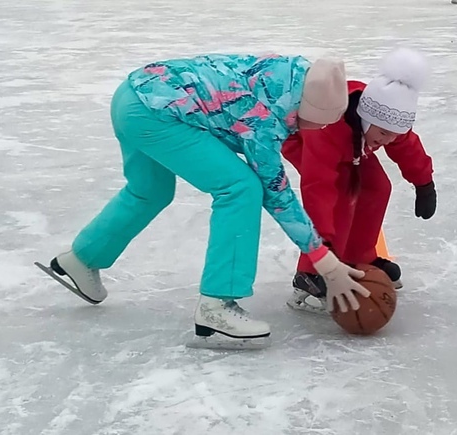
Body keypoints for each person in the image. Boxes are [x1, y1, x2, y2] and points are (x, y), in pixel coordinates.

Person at [38, 53, 371, 348]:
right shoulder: (263, 119)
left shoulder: (286, 76)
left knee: (150, 190)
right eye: (315, 123)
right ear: (302, 109)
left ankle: (83, 259)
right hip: (156, 113)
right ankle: (217, 306)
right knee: (241, 188)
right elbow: (276, 193)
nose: (315, 131)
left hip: (132, 97)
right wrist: (325, 261)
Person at [281, 48, 436, 314]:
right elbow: (319, 189)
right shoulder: (327, 129)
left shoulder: (389, 118)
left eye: (394, 134)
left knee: (377, 186)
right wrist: (324, 250)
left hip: (353, 144)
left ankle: (359, 257)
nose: (388, 140)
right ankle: (310, 274)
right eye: (384, 133)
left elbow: (407, 146)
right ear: (367, 119)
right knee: (341, 191)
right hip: (304, 138)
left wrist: (424, 184)